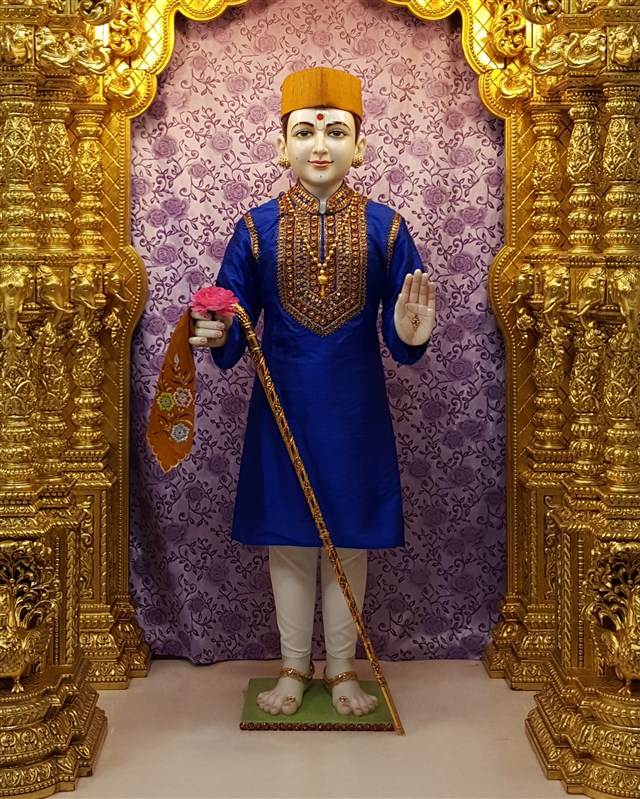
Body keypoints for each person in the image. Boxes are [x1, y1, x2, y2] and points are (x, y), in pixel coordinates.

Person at [189, 67, 436, 717]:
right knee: (291, 542)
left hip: (356, 412)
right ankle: (294, 669)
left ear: (360, 146)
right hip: (283, 409)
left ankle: (343, 671)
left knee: (347, 540)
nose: (320, 145)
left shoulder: (386, 228)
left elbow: (404, 324)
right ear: (281, 147)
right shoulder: (255, 228)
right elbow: (230, 316)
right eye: (304, 132)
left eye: (335, 132)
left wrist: (410, 331)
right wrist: (215, 330)